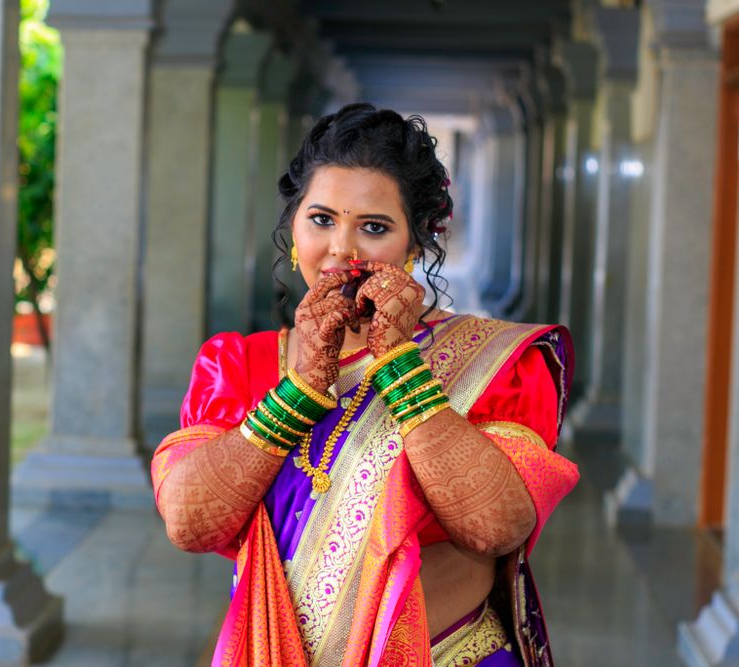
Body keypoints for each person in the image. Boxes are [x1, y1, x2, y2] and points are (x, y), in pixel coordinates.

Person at [151, 103, 579, 667]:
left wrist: (399, 363)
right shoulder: (239, 364)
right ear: (293, 224)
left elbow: (495, 529)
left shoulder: (494, 364)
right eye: (321, 219)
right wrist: (303, 386)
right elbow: (189, 523)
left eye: (374, 228)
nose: (342, 251)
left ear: (416, 244)